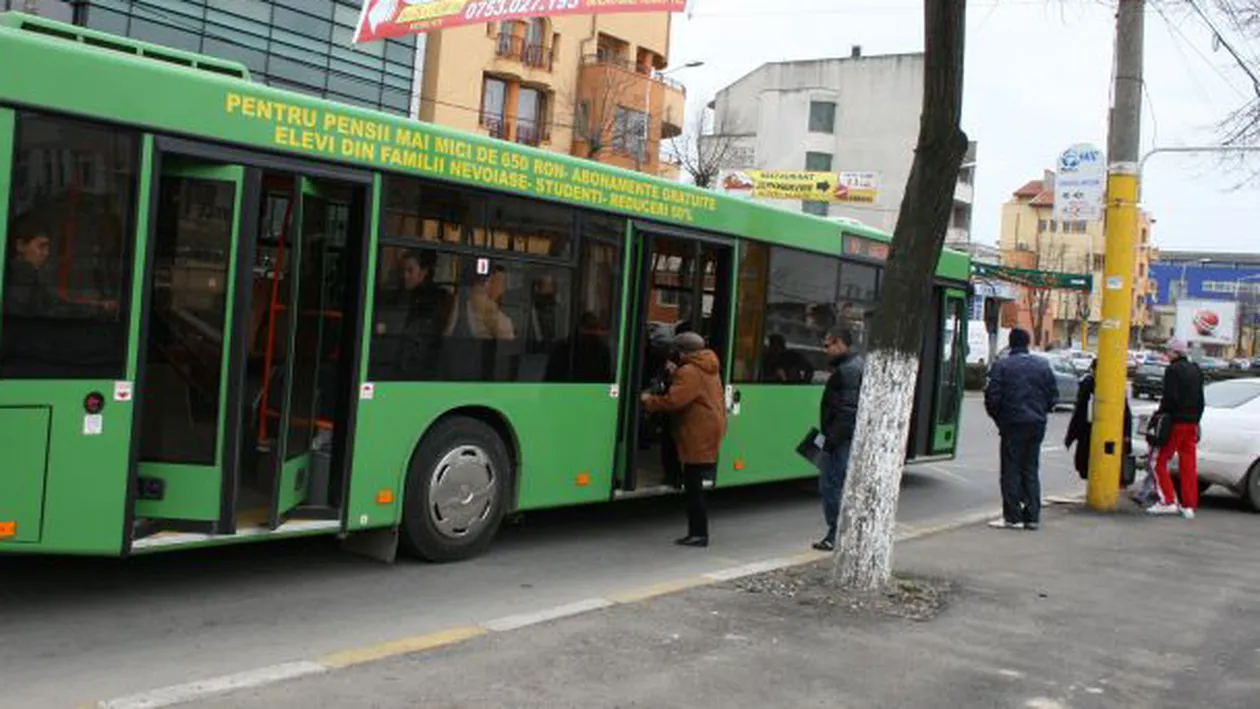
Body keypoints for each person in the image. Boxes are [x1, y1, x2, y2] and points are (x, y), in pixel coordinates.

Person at [641, 331, 727, 547]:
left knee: (694, 486)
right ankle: (698, 532)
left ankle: (699, 534)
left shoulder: (689, 371)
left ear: (682, 352)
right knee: (694, 482)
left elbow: (674, 401)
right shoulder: (707, 366)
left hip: (697, 431)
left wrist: (648, 400)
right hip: (707, 428)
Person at [984, 328, 1057, 530]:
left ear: (1010, 343)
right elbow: (1053, 396)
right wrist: (1041, 412)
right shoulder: (1042, 365)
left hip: (1013, 423)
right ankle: (1032, 516)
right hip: (1036, 423)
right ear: (1027, 343)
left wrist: (1000, 419)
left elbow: (992, 397)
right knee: (1030, 468)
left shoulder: (1002, 366)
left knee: (1011, 469)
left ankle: (1013, 516)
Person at [814, 326, 863, 551]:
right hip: (841, 438)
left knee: (831, 485)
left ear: (841, 343)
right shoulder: (851, 366)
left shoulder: (848, 371)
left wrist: (831, 442)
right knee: (834, 484)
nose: (826, 350)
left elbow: (847, 412)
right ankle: (839, 532)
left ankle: (836, 534)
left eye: (828, 345)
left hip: (840, 440)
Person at [1149, 339, 1205, 518]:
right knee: (1188, 464)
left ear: (1175, 353)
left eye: (1168, 351)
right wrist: (1196, 420)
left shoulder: (1172, 370)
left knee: (1159, 461)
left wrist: (1160, 416)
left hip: (1176, 422)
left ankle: (1167, 500)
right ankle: (1188, 505)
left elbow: (1170, 398)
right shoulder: (1196, 369)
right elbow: (1200, 399)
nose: (1166, 354)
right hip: (1192, 423)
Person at [1064, 359, 1133, 482]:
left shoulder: (1113, 385)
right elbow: (1080, 411)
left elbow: (1125, 412)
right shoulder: (1089, 383)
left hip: (1106, 433)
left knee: (1100, 465)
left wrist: (1127, 437)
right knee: (1086, 465)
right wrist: (1071, 435)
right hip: (1090, 431)